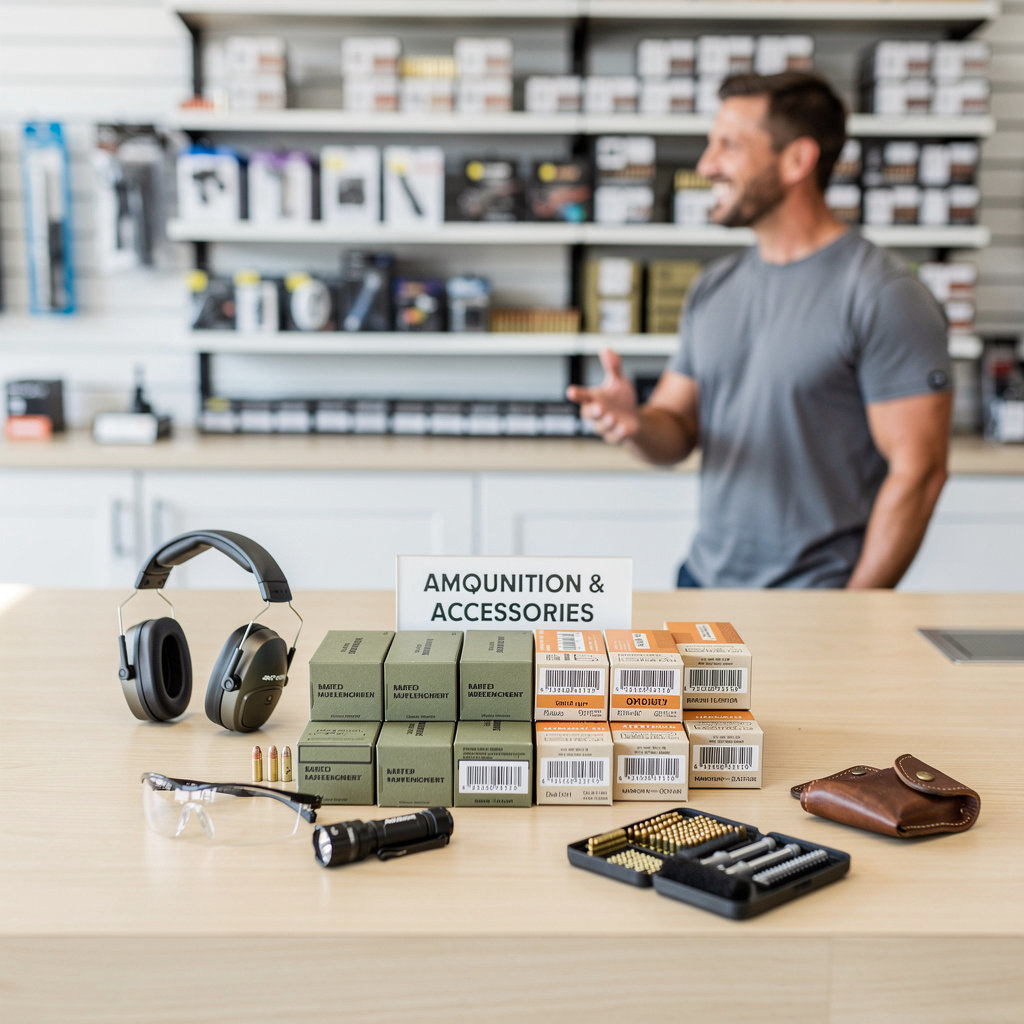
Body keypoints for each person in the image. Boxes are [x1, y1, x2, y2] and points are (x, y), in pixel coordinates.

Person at [567, 71, 952, 589]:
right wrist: (634, 423)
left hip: (816, 598)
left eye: (728, 146)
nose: (706, 165)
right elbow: (675, 429)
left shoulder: (883, 294)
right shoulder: (714, 286)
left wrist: (855, 610)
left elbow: (920, 473)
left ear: (797, 160)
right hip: (703, 582)